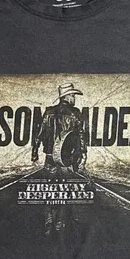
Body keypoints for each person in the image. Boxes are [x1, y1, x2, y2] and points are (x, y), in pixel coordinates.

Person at [31, 83, 88, 237]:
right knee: (65, 190)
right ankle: (59, 222)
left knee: (49, 189)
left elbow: (39, 134)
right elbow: (81, 137)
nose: (74, 98)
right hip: (66, 160)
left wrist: (34, 154)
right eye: (73, 95)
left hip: (50, 157)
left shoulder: (49, 112)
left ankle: (49, 218)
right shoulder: (75, 113)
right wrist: (83, 156)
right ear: (67, 96)